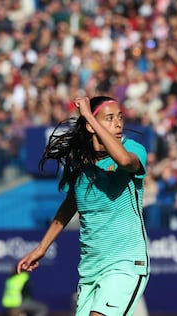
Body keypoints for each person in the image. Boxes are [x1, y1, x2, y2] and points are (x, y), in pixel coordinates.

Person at [17, 96, 150, 316]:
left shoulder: (132, 149)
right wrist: (41, 248)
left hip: (125, 262)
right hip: (91, 268)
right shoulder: (78, 162)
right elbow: (70, 204)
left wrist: (89, 115)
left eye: (120, 117)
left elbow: (125, 162)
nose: (118, 123)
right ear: (90, 127)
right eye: (109, 118)